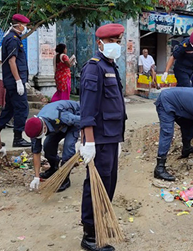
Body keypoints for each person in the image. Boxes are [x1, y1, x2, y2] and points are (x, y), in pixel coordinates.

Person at [78, 23, 127, 251]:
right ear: (100, 43)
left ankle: (100, 220)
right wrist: (89, 142)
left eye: (118, 41)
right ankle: (89, 234)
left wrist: (118, 139)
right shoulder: (93, 68)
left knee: (109, 183)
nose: (116, 45)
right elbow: (88, 109)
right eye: (112, 41)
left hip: (112, 137)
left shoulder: (111, 66)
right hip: (99, 138)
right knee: (95, 185)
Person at [26, 100, 80, 192]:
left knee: (68, 147)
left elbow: (82, 120)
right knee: (48, 146)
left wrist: (86, 140)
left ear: (44, 128)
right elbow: (36, 152)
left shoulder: (60, 116)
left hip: (74, 121)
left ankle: (65, 179)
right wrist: (36, 177)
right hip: (58, 126)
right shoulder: (34, 127)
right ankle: (53, 168)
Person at [0, 14, 32, 147]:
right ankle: (18, 138)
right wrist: (18, 81)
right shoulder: (12, 39)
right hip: (14, 81)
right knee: (22, 108)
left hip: (13, 80)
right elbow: (12, 62)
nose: (26, 28)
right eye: (25, 25)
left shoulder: (13, 37)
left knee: (10, 109)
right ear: (18, 25)